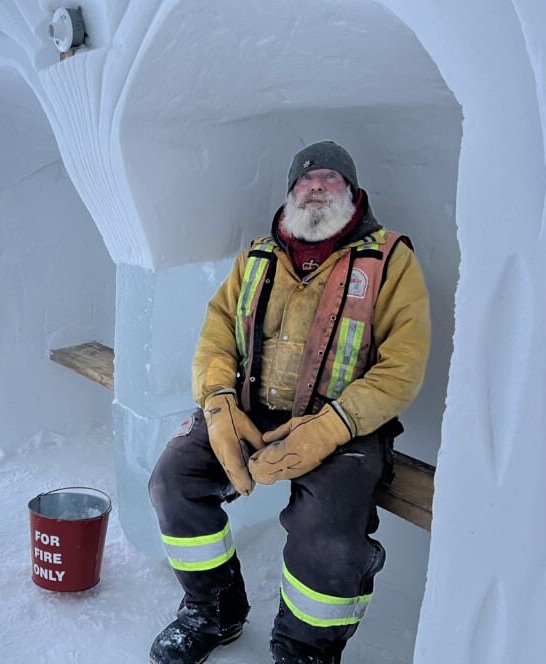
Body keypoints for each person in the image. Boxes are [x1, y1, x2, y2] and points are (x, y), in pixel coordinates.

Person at [147, 141, 431, 664]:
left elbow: (404, 365)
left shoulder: (391, 260)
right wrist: (217, 402)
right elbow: (216, 336)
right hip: (250, 409)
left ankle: (305, 648)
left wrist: (330, 427)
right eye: (306, 180)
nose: (317, 187)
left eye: (330, 179)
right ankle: (214, 610)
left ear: (353, 192)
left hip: (346, 426)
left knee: (329, 539)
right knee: (173, 480)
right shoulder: (256, 256)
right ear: (290, 193)